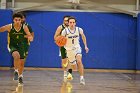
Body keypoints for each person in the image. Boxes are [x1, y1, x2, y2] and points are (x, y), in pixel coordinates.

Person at [0, 13, 33, 85]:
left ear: (21, 20)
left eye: (19, 20)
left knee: (22, 63)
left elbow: (29, 35)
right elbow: (1, 29)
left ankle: (20, 76)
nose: (17, 21)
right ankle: (16, 71)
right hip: (12, 45)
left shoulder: (24, 27)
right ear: (13, 20)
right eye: (16, 20)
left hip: (21, 45)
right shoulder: (9, 27)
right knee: (16, 55)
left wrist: (30, 37)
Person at [61, 16, 89, 85]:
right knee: (74, 68)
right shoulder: (65, 31)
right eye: (70, 22)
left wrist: (85, 46)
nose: (72, 24)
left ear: (75, 23)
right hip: (69, 50)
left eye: (73, 22)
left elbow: (83, 37)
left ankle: (82, 78)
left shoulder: (79, 29)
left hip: (77, 48)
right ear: (68, 23)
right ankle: (70, 70)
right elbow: (61, 40)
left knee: (79, 61)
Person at [54, 15, 73, 81]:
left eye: (67, 20)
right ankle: (65, 72)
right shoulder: (60, 27)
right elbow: (55, 36)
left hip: (71, 46)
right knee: (64, 60)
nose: (66, 22)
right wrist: (59, 40)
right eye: (65, 20)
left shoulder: (73, 27)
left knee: (71, 60)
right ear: (63, 21)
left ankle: (70, 73)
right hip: (63, 46)